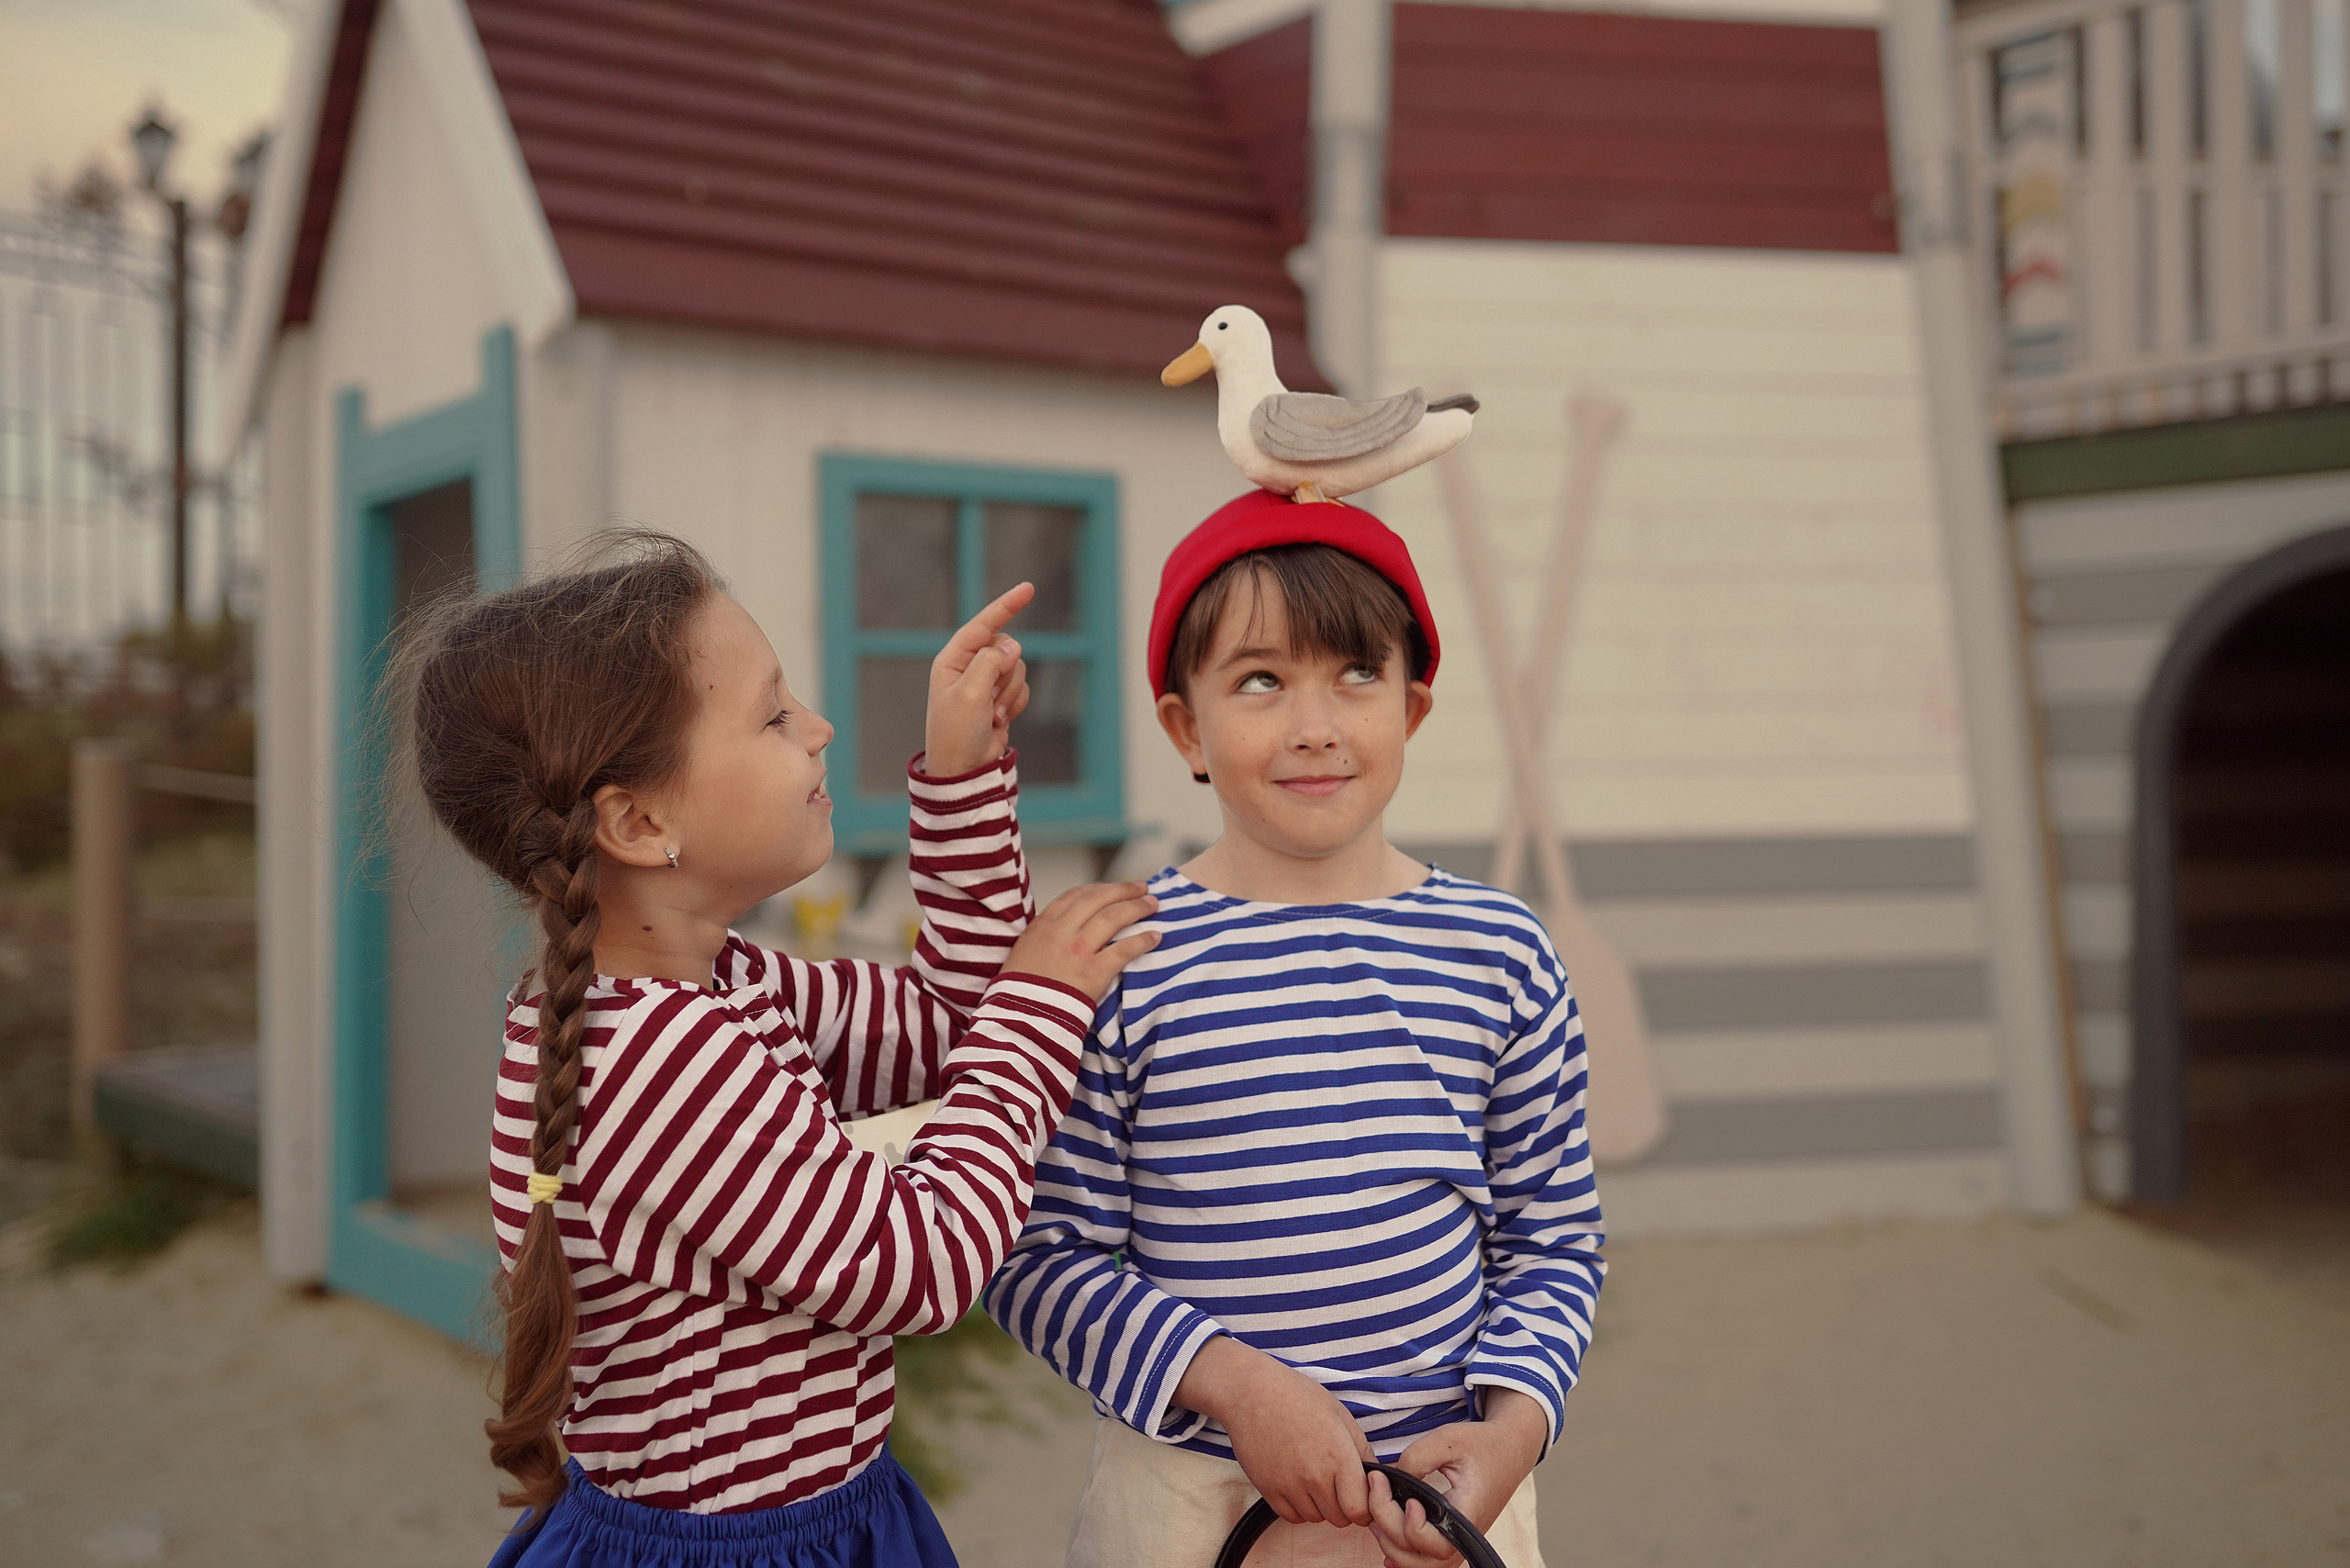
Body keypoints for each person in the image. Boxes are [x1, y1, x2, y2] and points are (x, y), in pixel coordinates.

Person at [393, 531, 1159, 1568]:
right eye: (772, 713)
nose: (820, 727)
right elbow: (917, 1262)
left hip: (828, 1510)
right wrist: (1039, 1006)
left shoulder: (722, 984)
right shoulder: (653, 1060)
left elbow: (948, 1028)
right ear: (638, 817)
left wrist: (962, 779)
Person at [986, 491, 1606, 1568]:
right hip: (1189, 1504)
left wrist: (1515, 1429)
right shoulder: (1118, 960)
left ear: (1412, 707)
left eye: (1356, 674)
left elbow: (1552, 1238)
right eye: (1261, 679)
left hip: (1444, 1501)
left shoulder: (1502, 954)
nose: (1315, 724)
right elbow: (1040, 1257)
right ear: (1187, 726)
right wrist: (1235, 1382)